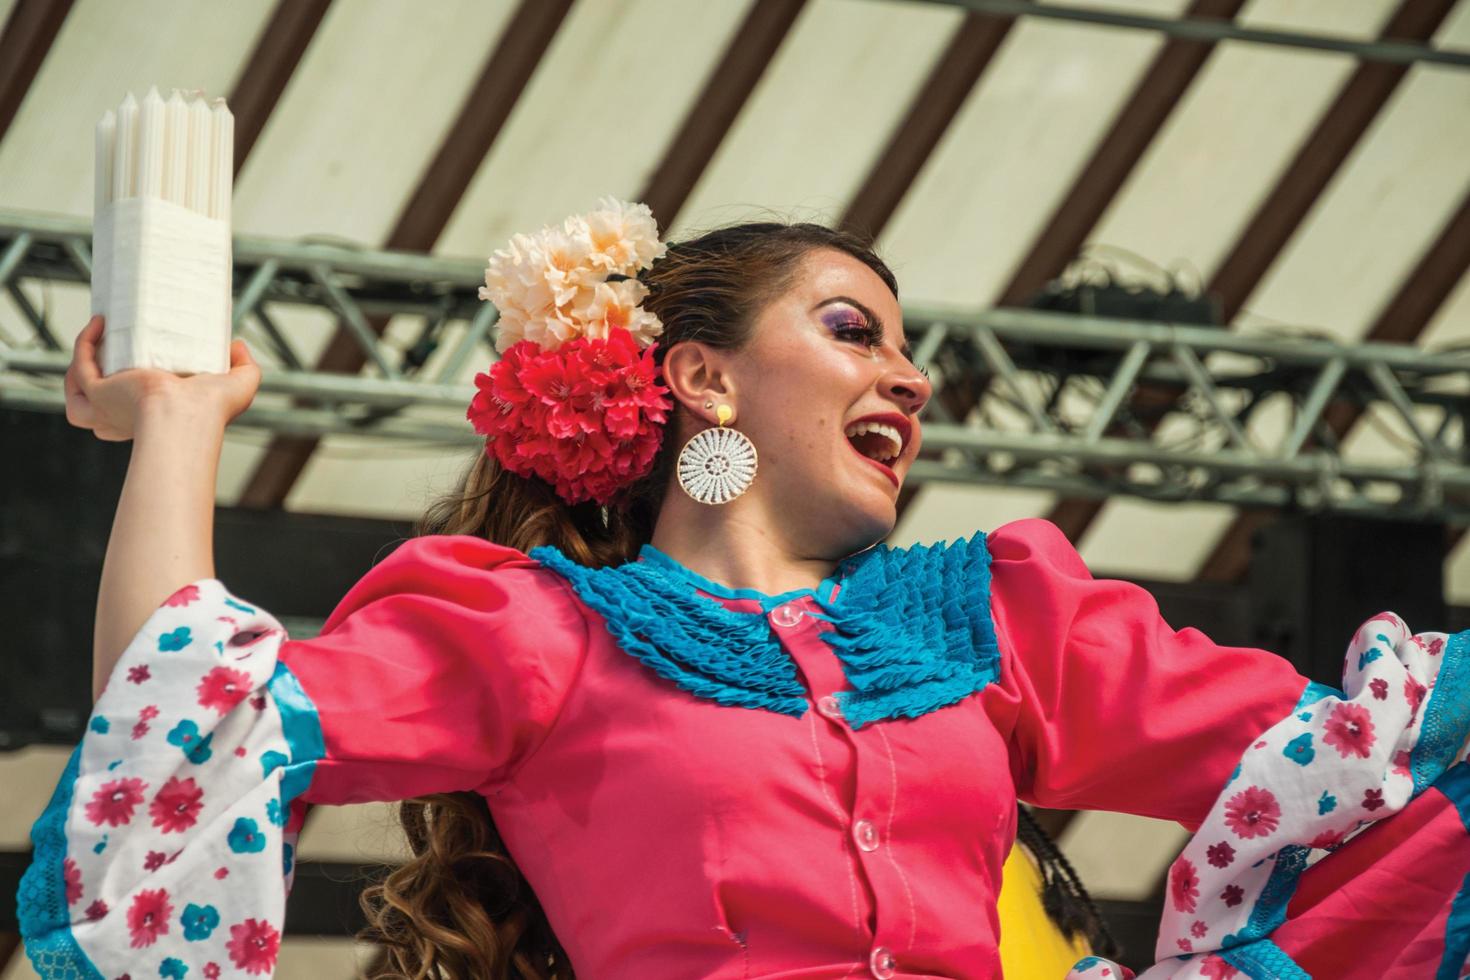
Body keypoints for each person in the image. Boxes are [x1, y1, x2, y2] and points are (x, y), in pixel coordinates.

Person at [16, 200, 1470, 980]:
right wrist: (183, 424)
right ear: (701, 379)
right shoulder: (539, 633)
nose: (908, 377)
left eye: (910, 355)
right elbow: (192, 717)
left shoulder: (998, 621)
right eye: (852, 330)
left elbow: (1370, 755)